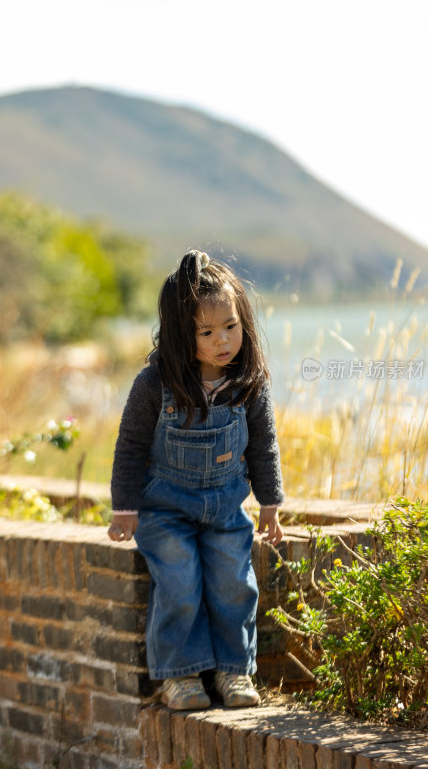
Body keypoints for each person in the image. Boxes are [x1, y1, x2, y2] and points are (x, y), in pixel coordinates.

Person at [108, 250, 284, 711]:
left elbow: (263, 446)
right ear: (181, 337)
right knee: (180, 584)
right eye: (206, 333)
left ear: (243, 320)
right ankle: (180, 675)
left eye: (230, 326)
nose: (222, 340)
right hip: (165, 510)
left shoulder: (249, 384)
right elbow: (129, 447)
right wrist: (124, 508)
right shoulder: (155, 385)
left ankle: (234, 670)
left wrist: (270, 503)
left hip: (226, 508)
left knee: (233, 584)